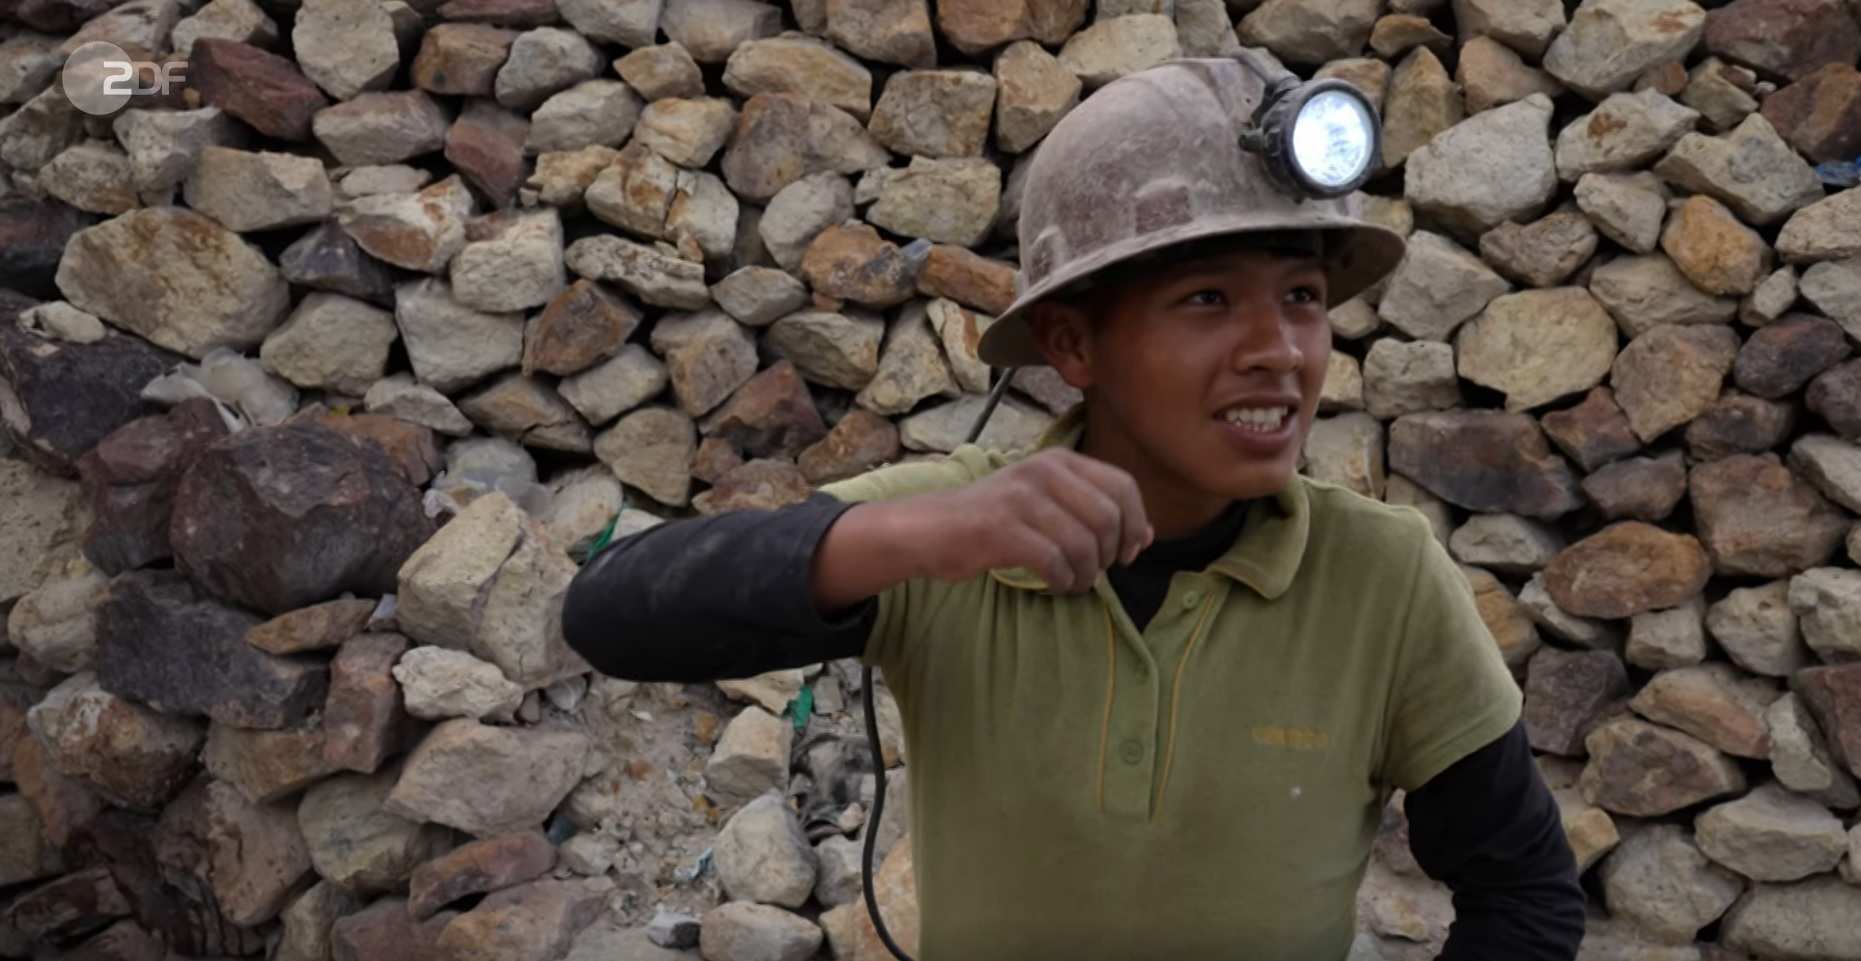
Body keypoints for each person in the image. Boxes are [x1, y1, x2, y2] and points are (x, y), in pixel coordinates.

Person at [563, 52, 1585, 961]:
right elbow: (608, 611)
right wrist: (912, 536)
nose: (1279, 347)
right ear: (1071, 347)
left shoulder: (1383, 575)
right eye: (1207, 300)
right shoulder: (952, 531)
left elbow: (1527, 898)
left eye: (1302, 297)